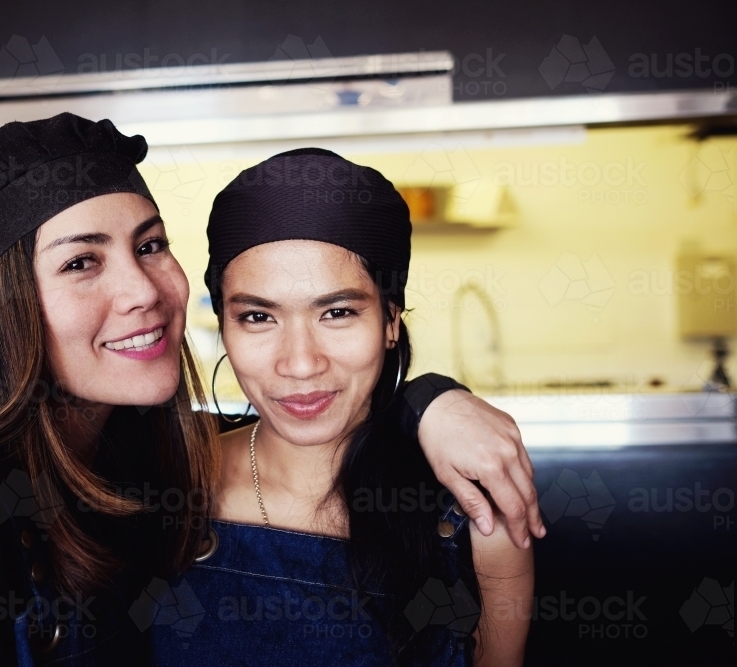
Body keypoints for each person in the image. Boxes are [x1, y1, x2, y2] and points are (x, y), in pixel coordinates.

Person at [0, 113, 539, 667]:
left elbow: (314, 424)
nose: (143, 290)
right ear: (8, 307)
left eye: (149, 245)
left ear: (391, 319)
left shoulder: (150, 454)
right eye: (81, 262)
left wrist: (429, 399)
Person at [148, 149, 534, 666]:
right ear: (224, 327)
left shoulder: (475, 511)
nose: (300, 363)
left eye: (337, 312)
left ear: (391, 320)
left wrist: (428, 396)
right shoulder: (163, 479)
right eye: (258, 317)